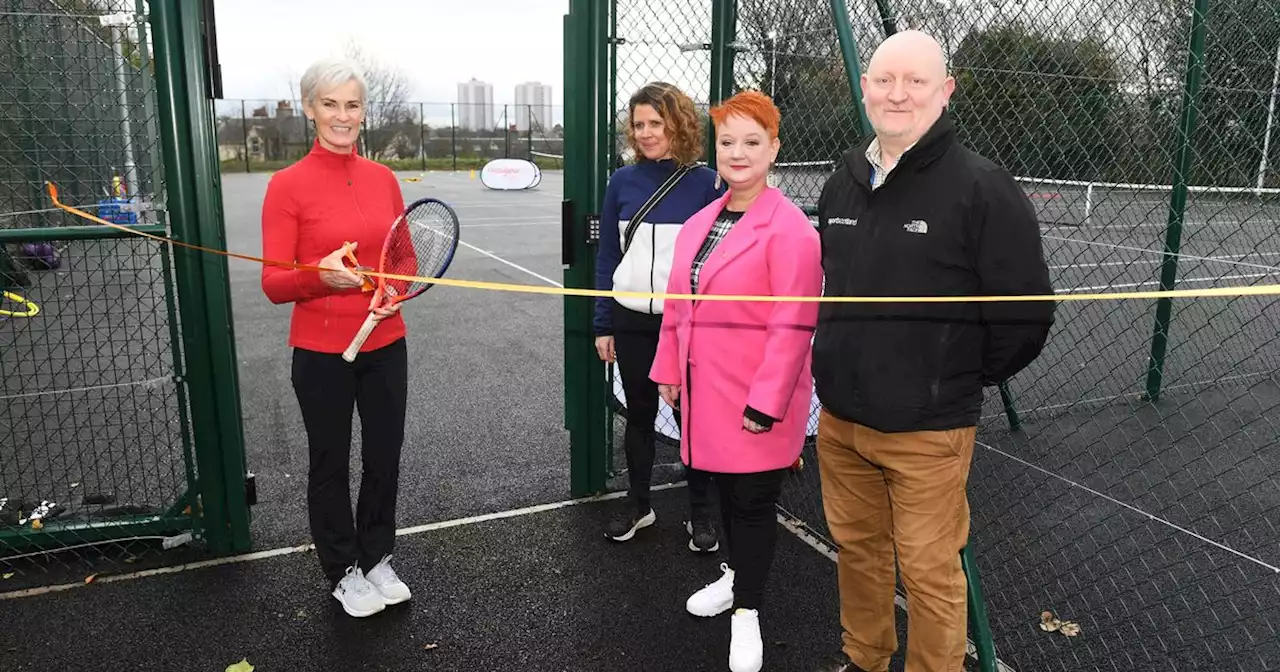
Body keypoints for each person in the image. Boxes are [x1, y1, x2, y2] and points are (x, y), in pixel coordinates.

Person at [811, 31, 1054, 672]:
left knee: (928, 572)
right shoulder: (842, 181)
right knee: (857, 552)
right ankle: (864, 658)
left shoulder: (982, 188)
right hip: (839, 421)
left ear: (944, 92)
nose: (898, 94)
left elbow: (1026, 315)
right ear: (864, 88)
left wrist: (947, 375)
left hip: (928, 430)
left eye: (916, 81)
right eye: (885, 79)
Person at [650, 89, 823, 672]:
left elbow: (793, 327)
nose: (738, 152)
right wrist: (669, 370)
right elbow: (678, 304)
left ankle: (747, 613)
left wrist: (767, 403)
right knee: (724, 492)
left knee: (752, 504)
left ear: (774, 149)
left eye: (753, 142)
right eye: (728, 142)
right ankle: (734, 575)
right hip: (705, 393)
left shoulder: (793, 231)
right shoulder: (701, 219)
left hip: (755, 399)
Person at [260, 56, 413, 619]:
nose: (342, 116)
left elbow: (404, 259)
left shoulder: (384, 179)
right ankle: (343, 569)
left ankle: (376, 557)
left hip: (385, 344)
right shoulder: (286, 186)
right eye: (330, 104)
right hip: (321, 354)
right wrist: (319, 276)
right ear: (309, 109)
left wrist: (395, 290)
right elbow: (274, 283)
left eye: (352, 104)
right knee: (330, 463)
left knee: (384, 458)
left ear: (363, 111)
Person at [594, 81, 725, 549]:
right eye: (639, 124)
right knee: (640, 415)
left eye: (656, 122)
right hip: (631, 320)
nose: (646, 132)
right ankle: (639, 504)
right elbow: (608, 256)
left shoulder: (707, 183)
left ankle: (701, 514)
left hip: (685, 325)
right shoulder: (621, 182)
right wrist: (603, 321)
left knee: (694, 417)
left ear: (678, 123)